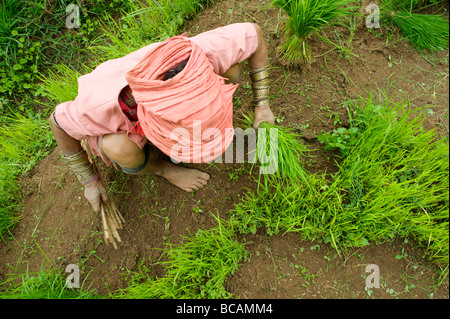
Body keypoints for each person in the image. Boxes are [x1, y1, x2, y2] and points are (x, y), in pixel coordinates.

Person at [49, 23, 275, 214]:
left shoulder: (204, 53)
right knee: (117, 147)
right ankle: (165, 169)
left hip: (161, 80)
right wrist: (89, 181)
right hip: (124, 119)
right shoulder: (98, 108)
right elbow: (57, 123)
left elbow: (254, 33)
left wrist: (262, 105)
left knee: (231, 69)